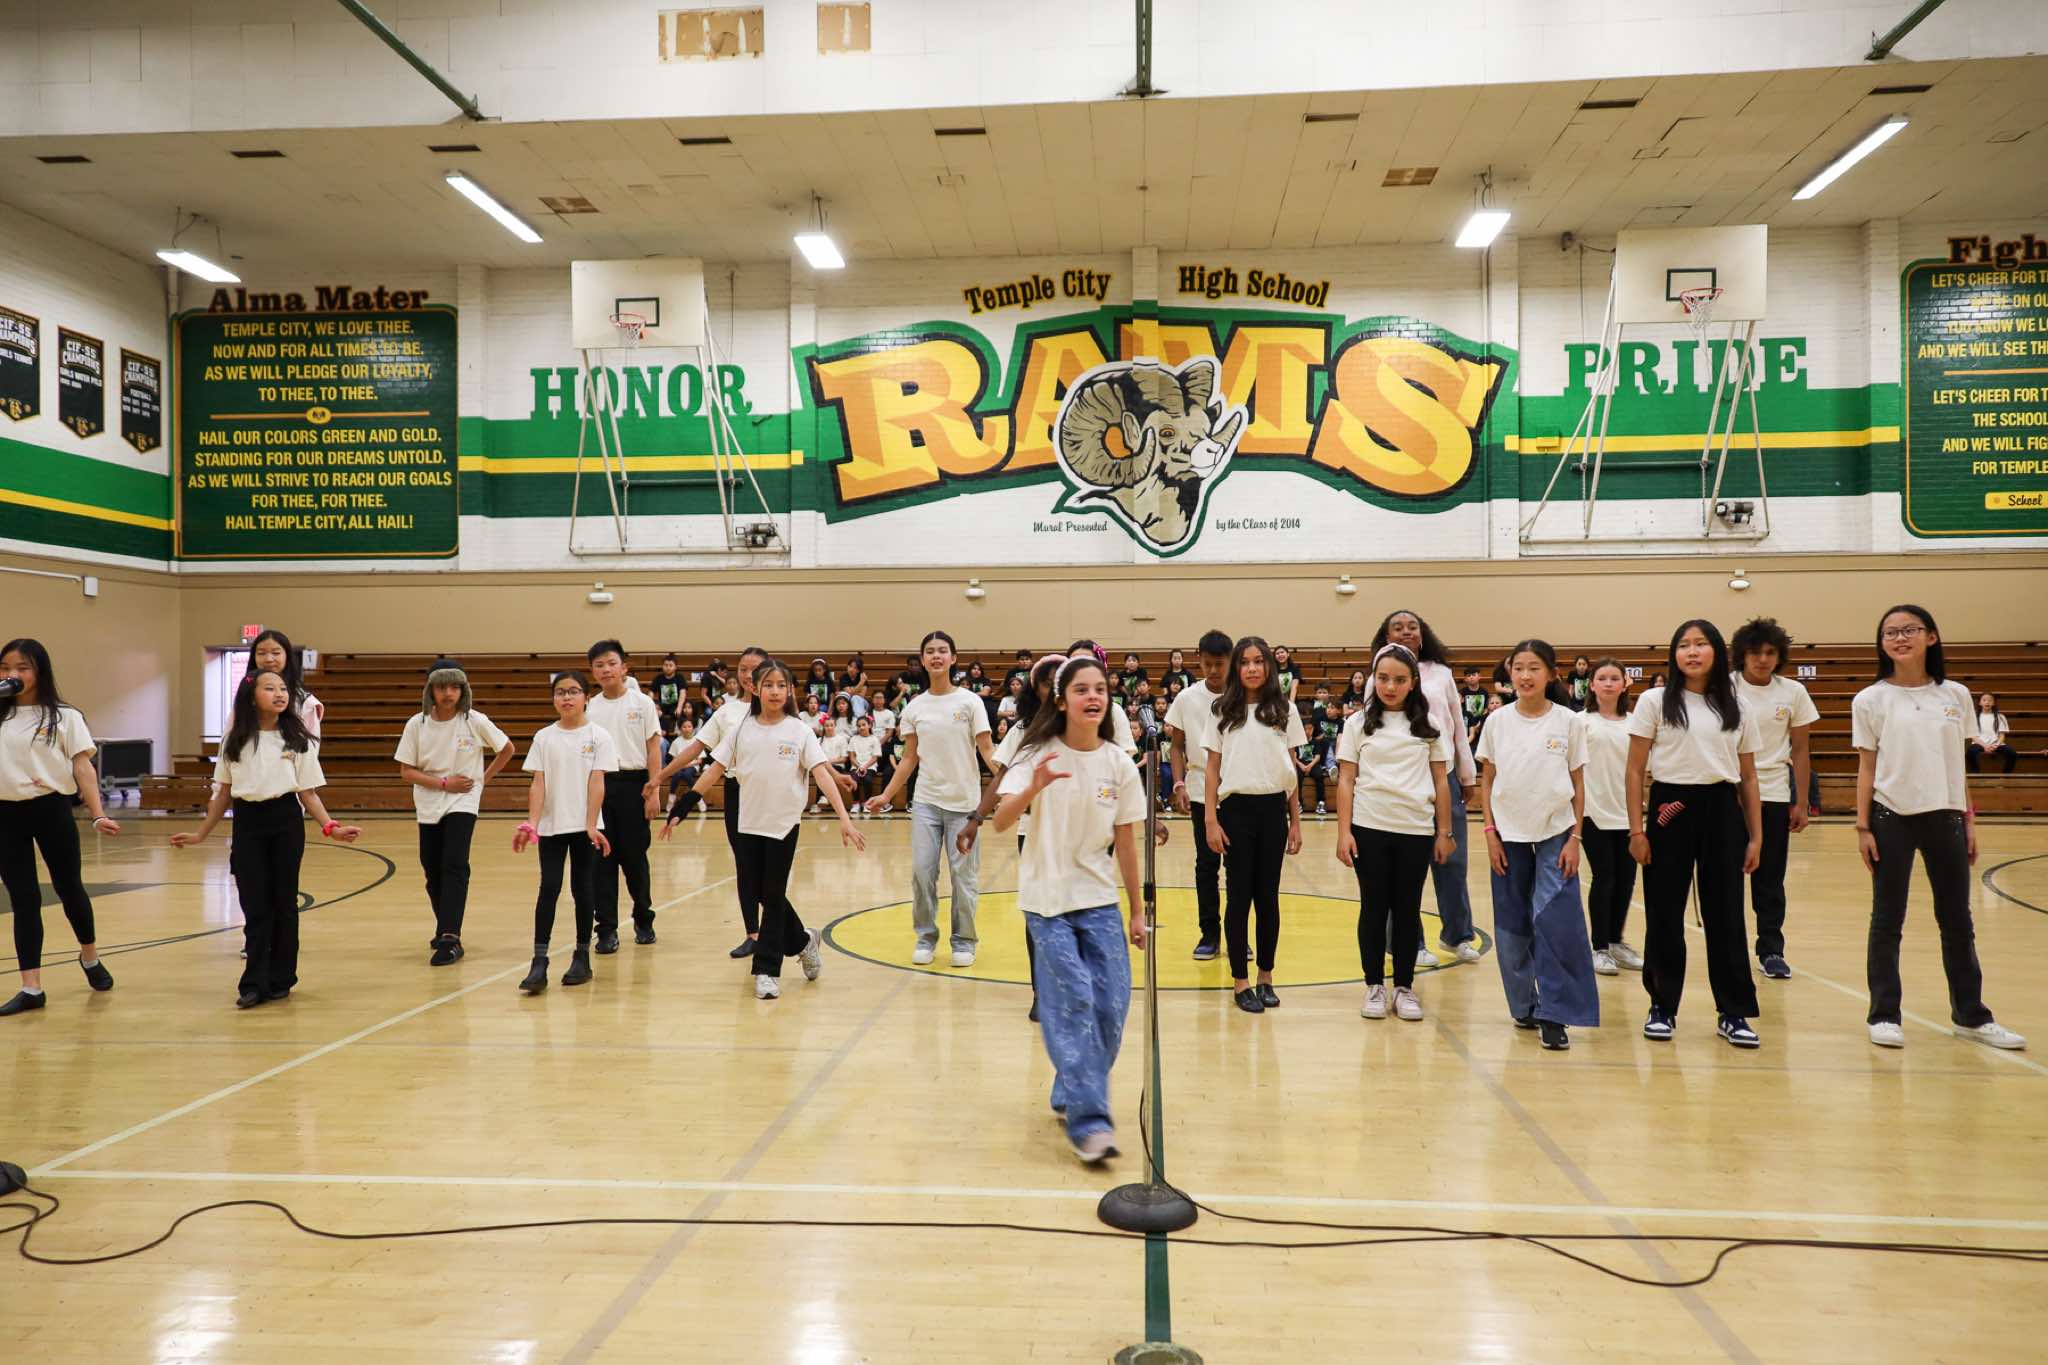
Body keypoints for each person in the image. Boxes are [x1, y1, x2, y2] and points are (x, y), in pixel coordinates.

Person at [992, 653, 1148, 1165]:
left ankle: (1071, 1085)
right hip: (1047, 902)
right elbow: (1001, 821)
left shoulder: (1118, 763)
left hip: (1098, 900)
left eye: (1100, 689)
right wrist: (1033, 787)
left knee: (1112, 1005)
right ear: (1061, 701)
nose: (1093, 697)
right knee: (1076, 999)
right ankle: (1090, 1122)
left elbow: (1127, 842)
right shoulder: (1036, 753)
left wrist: (1137, 910)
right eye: (1081, 689)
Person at [1855, 606, 2024, 1050]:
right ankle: (1884, 1014)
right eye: (1890, 632)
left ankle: (1971, 1015)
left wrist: (1968, 820)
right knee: (1887, 919)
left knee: (1957, 919)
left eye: (1909, 630)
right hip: (1890, 817)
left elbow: (1956, 764)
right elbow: (1867, 767)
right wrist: (1862, 826)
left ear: (1931, 637)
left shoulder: (1956, 695)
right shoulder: (1870, 699)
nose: (1899, 638)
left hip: (1946, 816)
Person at [667, 658, 865, 999]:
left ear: (789, 691)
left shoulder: (800, 731)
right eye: (768, 685)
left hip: (783, 825)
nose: (775, 691)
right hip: (747, 823)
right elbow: (714, 770)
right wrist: (685, 805)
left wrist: (844, 818)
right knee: (760, 892)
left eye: (781, 685)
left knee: (772, 896)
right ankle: (803, 941)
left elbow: (821, 774)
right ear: (755, 689)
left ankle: (767, 969)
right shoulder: (741, 730)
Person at [171, 669, 362, 1008]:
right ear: (251, 696)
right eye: (270, 688)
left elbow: (309, 794)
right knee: (254, 904)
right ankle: (253, 982)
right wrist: (201, 833)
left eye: (283, 688)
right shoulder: (234, 741)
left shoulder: (298, 739)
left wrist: (331, 827)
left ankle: (282, 977)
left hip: (286, 821)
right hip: (248, 823)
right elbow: (223, 794)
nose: (279, 694)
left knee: (284, 903)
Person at [1627, 620, 1764, 1049]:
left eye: (1700, 644)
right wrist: (1637, 829)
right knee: (1664, 913)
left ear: (1716, 652)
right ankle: (1662, 1006)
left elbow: (1749, 776)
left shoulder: (1737, 704)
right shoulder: (1654, 701)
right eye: (1683, 645)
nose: (1691, 651)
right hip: (1670, 807)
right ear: (1674, 654)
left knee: (1727, 914)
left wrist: (1756, 837)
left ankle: (1733, 1012)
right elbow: (1634, 770)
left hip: (1722, 807)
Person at [1476, 639, 1599, 1051]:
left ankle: (1554, 1012)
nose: (1525, 676)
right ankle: (1524, 1006)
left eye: (1534, 668)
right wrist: (1490, 833)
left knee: (1554, 921)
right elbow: (1487, 781)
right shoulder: (1497, 722)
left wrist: (1575, 838)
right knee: (1512, 926)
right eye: (1518, 668)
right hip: (1507, 835)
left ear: (1551, 674)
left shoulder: (1569, 721)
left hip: (1556, 833)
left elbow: (1578, 783)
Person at [1335, 644, 1455, 1024]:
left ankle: (1404, 987)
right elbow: (1346, 780)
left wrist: (1445, 832)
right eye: (1384, 678)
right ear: (1374, 680)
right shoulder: (1357, 724)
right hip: (1369, 827)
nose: (1390, 686)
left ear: (1413, 682)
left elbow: (1441, 781)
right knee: (1373, 908)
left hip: (1415, 830)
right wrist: (1343, 832)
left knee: (1407, 910)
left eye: (1399, 680)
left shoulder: (1429, 726)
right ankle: (1374, 985)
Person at [0, 639, 120, 1018]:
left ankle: (89, 956)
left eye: (22, 667)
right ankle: (31, 987)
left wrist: (97, 813)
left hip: (51, 809)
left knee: (70, 889)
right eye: (5, 667)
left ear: (40, 671)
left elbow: (83, 768)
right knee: (24, 899)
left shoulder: (65, 717)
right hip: (5, 815)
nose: (12, 674)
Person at [866, 630, 995, 966]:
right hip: (926, 803)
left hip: (964, 805)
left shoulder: (971, 702)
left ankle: (964, 941)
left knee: (963, 877)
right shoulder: (915, 707)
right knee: (922, 873)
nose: (937, 656)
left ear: (953, 658)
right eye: (930, 651)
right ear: (923, 660)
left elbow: (986, 749)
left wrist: (1011, 781)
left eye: (943, 650)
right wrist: (886, 794)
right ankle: (926, 937)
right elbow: (909, 758)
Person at [1370, 610, 1482, 967]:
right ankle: (1409, 942)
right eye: (1398, 628)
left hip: (1443, 774)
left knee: (1453, 859)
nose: (1406, 632)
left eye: (1412, 627)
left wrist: (1466, 774)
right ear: (1386, 636)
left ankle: (1458, 935)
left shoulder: (1442, 674)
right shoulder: (1379, 675)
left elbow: (1457, 727)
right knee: (1405, 866)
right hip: (1403, 779)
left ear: (1423, 634)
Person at [1204, 635, 1305, 1014]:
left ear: (1268, 667)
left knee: (1268, 897)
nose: (1251, 668)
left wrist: (1295, 821)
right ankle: (1240, 981)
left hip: (1273, 809)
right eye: (1244, 662)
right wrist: (1211, 819)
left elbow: (1290, 768)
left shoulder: (1284, 710)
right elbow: (1212, 768)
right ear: (1236, 667)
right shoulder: (1221, 710)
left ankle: (1266, 976)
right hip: (1235, 811)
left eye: (1258, 661)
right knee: (1239, 896)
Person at [965, 652, 1067, 1021]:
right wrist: (977, 818)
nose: (1053, 689)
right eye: (1046, 683)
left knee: (1073, 912)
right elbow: (1002, 776)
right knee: (1038, 912)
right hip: (1033, 831)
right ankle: (1042, 991)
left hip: (1078, 834)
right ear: (1035, 688)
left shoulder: (1083, 726)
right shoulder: (1023, 730)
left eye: (1059, 682)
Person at [395, 659, 514, 966]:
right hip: (429, 799)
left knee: (454, 863)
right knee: (431, 868)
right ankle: (444, 924)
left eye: (454, 687)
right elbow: (406, 771)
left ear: (463, 690)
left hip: (463, 800)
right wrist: (442, 783)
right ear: (430, 691)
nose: (448, 693)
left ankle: (451, 936)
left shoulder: (475, 720)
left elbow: (507, 749)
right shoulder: (416, 724)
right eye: (441, 687)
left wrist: (481, 781)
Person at [651, 646, 768, 960]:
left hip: (770, 796)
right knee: (744, 866)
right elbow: (695, 749)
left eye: (755, 669)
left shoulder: (779, 710)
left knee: (766, 871)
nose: (748, 675)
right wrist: (660, 777)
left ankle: (786, 933)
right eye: (742, 669)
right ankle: (754, 934)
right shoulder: (727, 712)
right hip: (737, 792)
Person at [512, 670, 617, 995]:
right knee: (549, 888)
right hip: (551, 826)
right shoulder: (544, 737)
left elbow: (597, 782)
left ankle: (581, 956)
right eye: (560, 692)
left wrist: (590, 824)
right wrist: (532, 823)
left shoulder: (599, 736)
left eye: (573, 691)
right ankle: (539, 961)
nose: (566, 697)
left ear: (586, 697)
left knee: (583, 889)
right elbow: (538, 783)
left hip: (585, 827)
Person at [1730, 617, 1819, 980]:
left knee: (1769, 879)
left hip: (1775, 794)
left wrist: (1801, 802)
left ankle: (1771, 950)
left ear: (1780, 656)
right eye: (1755, 652)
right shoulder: (1725, 688)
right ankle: (1730, 949)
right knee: (1727, 878)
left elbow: (1800, 750)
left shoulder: (1793, 692)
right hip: (1730, 794)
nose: (1762, 659)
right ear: (1742, 655)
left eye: (1770, 652)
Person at [585, 640, 663, 951]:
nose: (606, 669)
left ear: (624, 668)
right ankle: (606, 929)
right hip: (600, 785)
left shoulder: (642, 703)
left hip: (634, 785)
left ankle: (643, 918)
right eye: (599, 665)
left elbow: (653, 747)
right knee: (601, 861)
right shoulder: (590, 707)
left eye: (611, 663)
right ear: (593, 672)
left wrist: (654, 790)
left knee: (634, 859)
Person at [1167, 629, 1232, 961]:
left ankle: (1237, 935)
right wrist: (1178, 783)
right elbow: (1176, 746)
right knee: (1206, 865)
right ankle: (1209, 933)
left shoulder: (1242, 696)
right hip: (1198, 790)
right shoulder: (1186, 698)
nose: (1214, 671)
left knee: (1237, 868)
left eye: (1220, 664)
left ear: (1230, 661)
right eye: (1208, 664)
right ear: (1199, 661)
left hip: (1237, 790)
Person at [1575, 659, 1642, 976]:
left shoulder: (1636, 723)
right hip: (1593, 811)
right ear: (1592, 685)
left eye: (1615, 678)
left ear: (1625, 683)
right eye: (1602, 678)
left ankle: (1616, 941)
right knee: (1605, 877)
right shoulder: (1580, 722)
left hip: (1627, 812)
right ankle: (1599, 947)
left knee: (1626, 879)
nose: (1608, 683)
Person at [247, 628, 323, 737]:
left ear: (287, 656)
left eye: (276, 653)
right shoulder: (246, 694)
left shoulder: (305, 702)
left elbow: (311, 744)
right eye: (261, 653)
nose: (268, 659)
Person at [1968, 692, 2017, 773]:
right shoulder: (1975, 717)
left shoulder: (2000, 716)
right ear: (1980, 703)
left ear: (1993, 703)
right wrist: (1985, 746)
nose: (1987, 702)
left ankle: (2005, 776)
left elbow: (2002, 735)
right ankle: (1976, 774)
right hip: (1979, 744)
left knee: (2012, 754)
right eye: (1984, 700)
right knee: (1970, 752)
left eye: (1990, 700)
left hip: (1996, 744)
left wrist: (1996, 745)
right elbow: (1973, 736)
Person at [848, 714, 883, 807]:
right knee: (853, 780)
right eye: (859, 726)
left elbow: (874, 758)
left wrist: (864, 767)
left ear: (869, 725)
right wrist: (859, 767)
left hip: (870, 767)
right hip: (856, 766)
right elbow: (852, 757)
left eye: (864, 725)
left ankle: (867, 802)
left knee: (868, 780)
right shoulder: (853, 739)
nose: (861, 727)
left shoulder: (874, 739)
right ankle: (856, 803)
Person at [653, 654, 686, 736]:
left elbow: (683, 693)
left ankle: (678, 731)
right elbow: (651, 693)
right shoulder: (658, 678)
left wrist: (679, 707)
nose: (668, 667)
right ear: (662, 666)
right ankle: (661, 732)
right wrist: (653, 707)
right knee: (656, 713)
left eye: (670, 665)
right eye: (666, 665)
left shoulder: (679, 677)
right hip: (662, 705)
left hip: (675, 705)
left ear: (675, 667)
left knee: (681, 712)